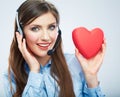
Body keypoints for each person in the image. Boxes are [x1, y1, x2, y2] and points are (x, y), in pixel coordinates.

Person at [0, 0, 106, 97]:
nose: (46, 37)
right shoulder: (10, 78)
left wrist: (91, 77)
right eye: (35, 28)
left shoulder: (76, 64)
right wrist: (34, 71)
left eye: (51, 27)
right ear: (21, 34)